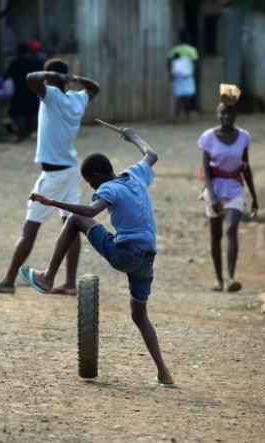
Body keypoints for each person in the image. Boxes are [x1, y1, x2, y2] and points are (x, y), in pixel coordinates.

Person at [18, 127, 175, 387]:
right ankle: (164, 372)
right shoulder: (135, 174)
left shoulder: (110, 189)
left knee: (73, 219)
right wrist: (133, 136)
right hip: (146, 260)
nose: (90, 186)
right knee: (140, 316)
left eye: (90, 182)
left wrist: (53, 203)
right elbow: (152, 154)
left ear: (96, 176)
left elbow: (90, 212)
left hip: (124, 254)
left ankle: (47, 277)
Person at [0, 59, 100, 295]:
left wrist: (55, 79)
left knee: (30, 228)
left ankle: (8, 280)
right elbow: (94, 87)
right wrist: (75, 80)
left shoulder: (52, 96)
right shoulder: (76, 99)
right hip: (70, 170)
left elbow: (30, 78)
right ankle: (68, 283)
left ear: (50, 79)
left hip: (54, 174)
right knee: (71, 224)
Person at [200, 84, 259, 292]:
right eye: (224, 112)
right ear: (218, 114)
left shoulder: (244, 137)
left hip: (235, 186)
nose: (227, 115)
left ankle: (231, 277)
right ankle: (219, 279)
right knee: (216, 236)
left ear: (236, 114)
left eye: (231, 112)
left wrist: (254, 196)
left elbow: (246, 166)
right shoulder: (207, 137)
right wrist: (213, 196)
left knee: (232, 228)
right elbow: (206, 170)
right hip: (214, 187)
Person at [5, 43, 43, 143]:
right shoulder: (37, 62)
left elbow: (6, 76)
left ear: (19, 51)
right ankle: (33, 133)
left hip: (19, 93)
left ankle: (21, 135)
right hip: (34, 93)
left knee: (19, 115)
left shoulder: (15, 63)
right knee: (33, 114)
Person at [168, 30, 199, 120]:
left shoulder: (174, 50)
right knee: (187, 96)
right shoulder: (192, 50)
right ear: (188, 39)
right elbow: (195, 63)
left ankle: (177, 114)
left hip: (177, 76)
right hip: (187, 76)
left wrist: (170, 73)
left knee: (179, 96)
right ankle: (187, 114)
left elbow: (169, 62)